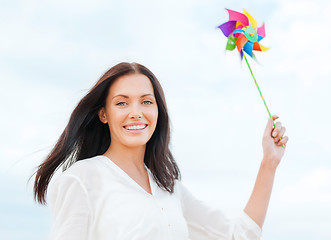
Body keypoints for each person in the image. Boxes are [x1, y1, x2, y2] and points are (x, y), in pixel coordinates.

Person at [33, 62, 288, 240]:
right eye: (122, 102)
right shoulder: (83, 179)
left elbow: (237, 236)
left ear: (158, 111)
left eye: (146, 101)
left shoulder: (168, 186)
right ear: (103, 114)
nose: (136, 112)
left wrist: (269, 163)